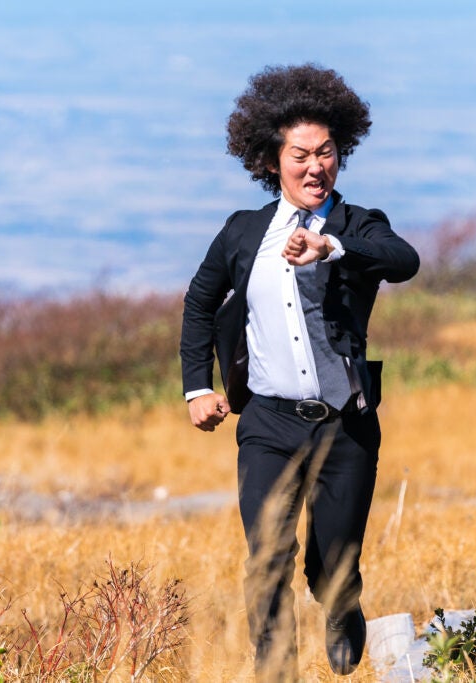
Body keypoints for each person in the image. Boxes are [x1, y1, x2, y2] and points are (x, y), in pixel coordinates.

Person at [180, 64, 419, 679]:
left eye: (327, 153)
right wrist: (198, 386)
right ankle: (275, 670)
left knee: (331, 564)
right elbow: (200, 303)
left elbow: (404, 260)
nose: (316, 167)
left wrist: (331, 247)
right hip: (268, 423)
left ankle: (341, 605)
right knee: (266, 557)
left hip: (345, 427)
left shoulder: (358, 225)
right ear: (269, 160)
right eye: (300, 155)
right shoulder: (242, 232)